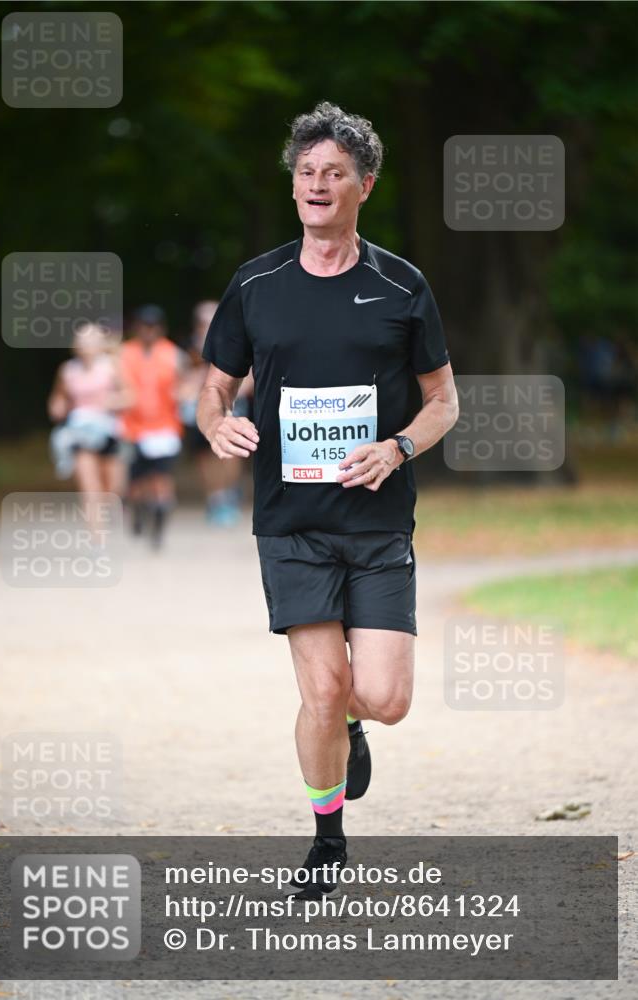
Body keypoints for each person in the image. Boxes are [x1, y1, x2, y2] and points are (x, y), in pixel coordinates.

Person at [197, 102, 459, 899]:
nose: (316, 184)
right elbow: (212, 391)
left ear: (363, 185)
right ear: (294, 185)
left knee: (382, 697)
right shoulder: (257, 283)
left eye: (333, 173)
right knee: (318, 686)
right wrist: (217, 427)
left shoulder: (400, 285)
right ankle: (327, 839)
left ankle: (352, 723)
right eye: (305, 172)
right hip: (291, 521)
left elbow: (442, 401)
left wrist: (398, 445)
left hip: (378, 519)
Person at [181, 300, 254, 525]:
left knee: (232, 452)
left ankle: (228, 494)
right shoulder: (190, 348)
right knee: (205, 455)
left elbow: (249, 375)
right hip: (201, 407)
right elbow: (183, 380)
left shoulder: (236, 338)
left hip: (234, 403)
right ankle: (215, 497)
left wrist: (234, 394)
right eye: (203, 321)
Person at [120, 305, 186, 549]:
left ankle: (159, 525)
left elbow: (184, 384)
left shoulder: (172, 354)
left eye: (153, 326)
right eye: (144, 326)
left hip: (164, 427)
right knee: (135, 483)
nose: (148, 331)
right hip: (133, 428)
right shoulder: (125, 354)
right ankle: (138, 512)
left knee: (161, 480)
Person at [48, 322, 127, 499]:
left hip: (108, 429)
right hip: (79, 430)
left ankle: (108, 509)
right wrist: (57, 407)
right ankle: (96, 527)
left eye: (90, 341)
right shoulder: (67, 370)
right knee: (89, 486)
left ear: (100, 344)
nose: (85, 346)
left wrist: (113, 402)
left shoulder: (112, 366)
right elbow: (58, 398)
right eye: (82, 341)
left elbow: (130, 396)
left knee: (113, 487)